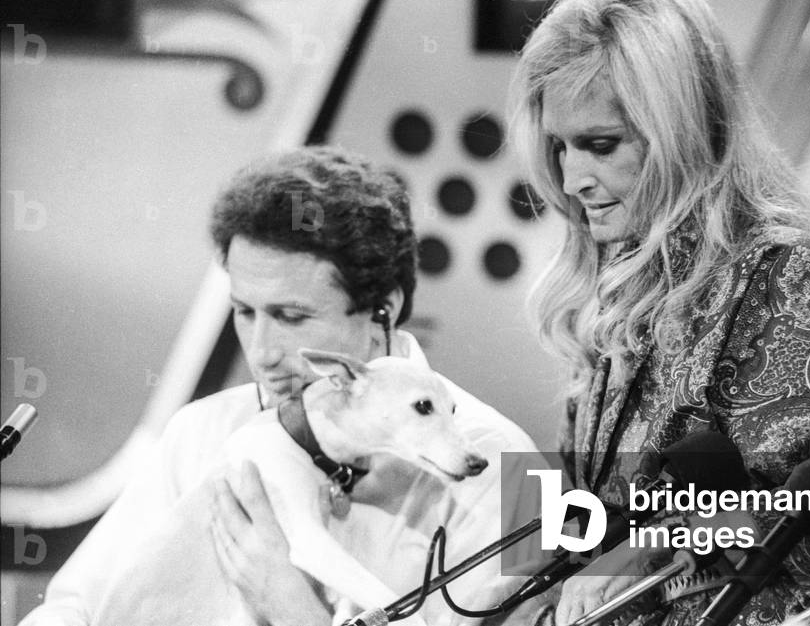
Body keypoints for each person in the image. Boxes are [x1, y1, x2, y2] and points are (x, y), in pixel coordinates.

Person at [507, 0, 810, 626]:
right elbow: (597, 516)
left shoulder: (781, 277)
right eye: (558, 147)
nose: (570, 179)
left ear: (678, 129)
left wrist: (641, 551)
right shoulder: (620, 285)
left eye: (598, 145)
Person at [22, 146, 544, 626]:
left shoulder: (515, 469)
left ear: (383, 309)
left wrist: (295, 609)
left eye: (291, 316)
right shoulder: (202, 430)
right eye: (245, 313)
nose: (263, 352)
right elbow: (76, 607)